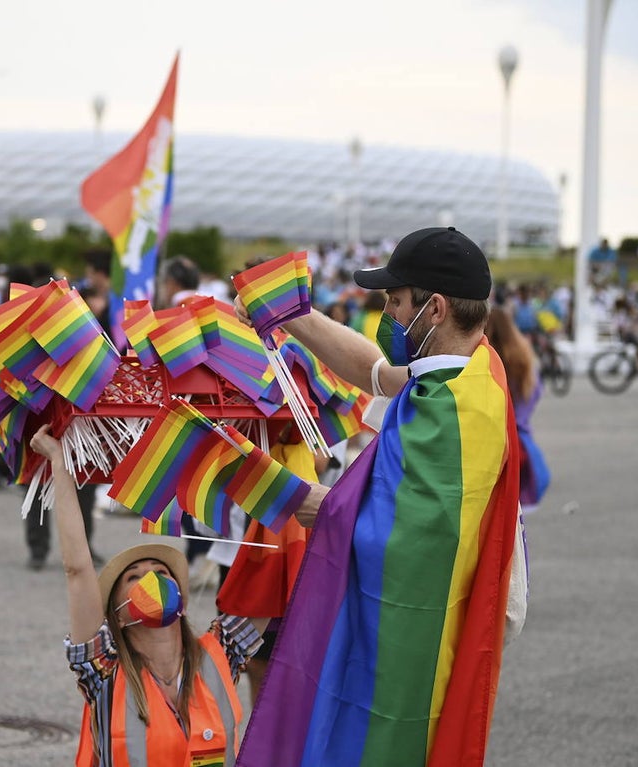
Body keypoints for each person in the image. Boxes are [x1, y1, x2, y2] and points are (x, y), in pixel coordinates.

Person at [233, 227, 523, 767]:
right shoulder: (473, 371)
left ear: (433, 308)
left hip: (409, 649)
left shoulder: (453, 416)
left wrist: (233, 467)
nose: (387, 315)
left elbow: (370, 530)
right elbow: (375, 373)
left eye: (395, 302)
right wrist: (290, 315)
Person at [28, 425, 265, 767]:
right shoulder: (103, 670)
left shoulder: (221, 654)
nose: (151, 578)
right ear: (118, 613)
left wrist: (263, 460)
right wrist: (58, 464)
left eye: (161, 572)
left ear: (180, 603)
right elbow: (78, 570)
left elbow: (269, 578)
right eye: (134, 577)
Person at [486, 305, 550, 511]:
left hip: (492, 445)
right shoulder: (524, 362)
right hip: (521, 443)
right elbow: (535, 394)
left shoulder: (485, 363)